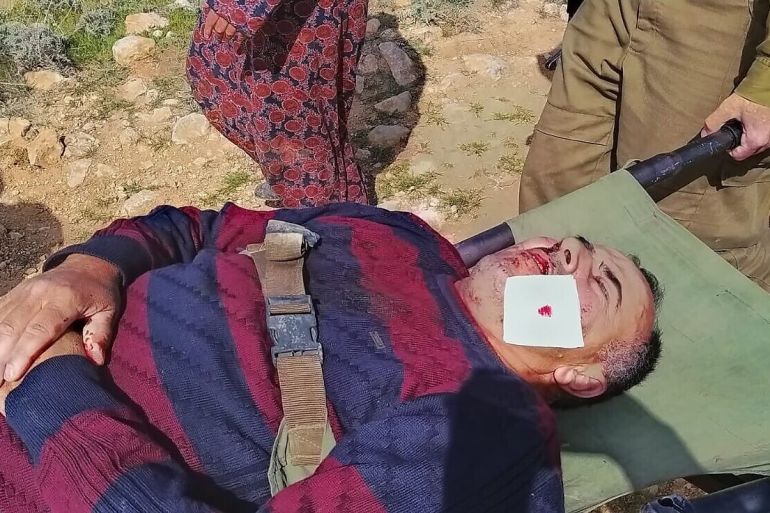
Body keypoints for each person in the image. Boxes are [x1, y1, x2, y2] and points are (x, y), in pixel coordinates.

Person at [0, 203, 662, 512]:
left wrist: (46, 381)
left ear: (581, 375)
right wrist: (87, 269)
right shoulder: (401, 234)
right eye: (574, 246)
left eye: (600, 284)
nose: (566, 257)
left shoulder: (488, 417)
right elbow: (197, 228)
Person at [520, 0, 770, 291]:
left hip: (723, 26)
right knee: (554, 200)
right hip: (607, 12)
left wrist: (764, 87)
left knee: (680, 242)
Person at [186, 0, 371, 208]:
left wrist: (237, 5)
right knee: (212, 70)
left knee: (289, 114)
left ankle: (320, 204)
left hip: (305, 13)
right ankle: (292, 178)